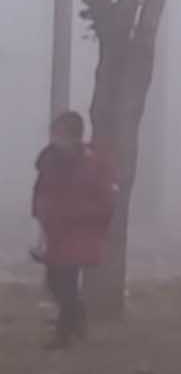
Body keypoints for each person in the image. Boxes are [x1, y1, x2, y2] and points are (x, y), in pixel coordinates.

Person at [30, 111, 117, 350]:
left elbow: (105, 199)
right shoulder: (50, 160)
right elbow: (42, 190)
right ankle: (76, 322)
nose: (54, 139)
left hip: (80, 232)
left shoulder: (92, 163)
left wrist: (80, 215)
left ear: (73, 136)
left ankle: (65, 335)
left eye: (59, 134)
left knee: (65, 281)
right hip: (56, 231)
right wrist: (40, 214)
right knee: (55, 281)